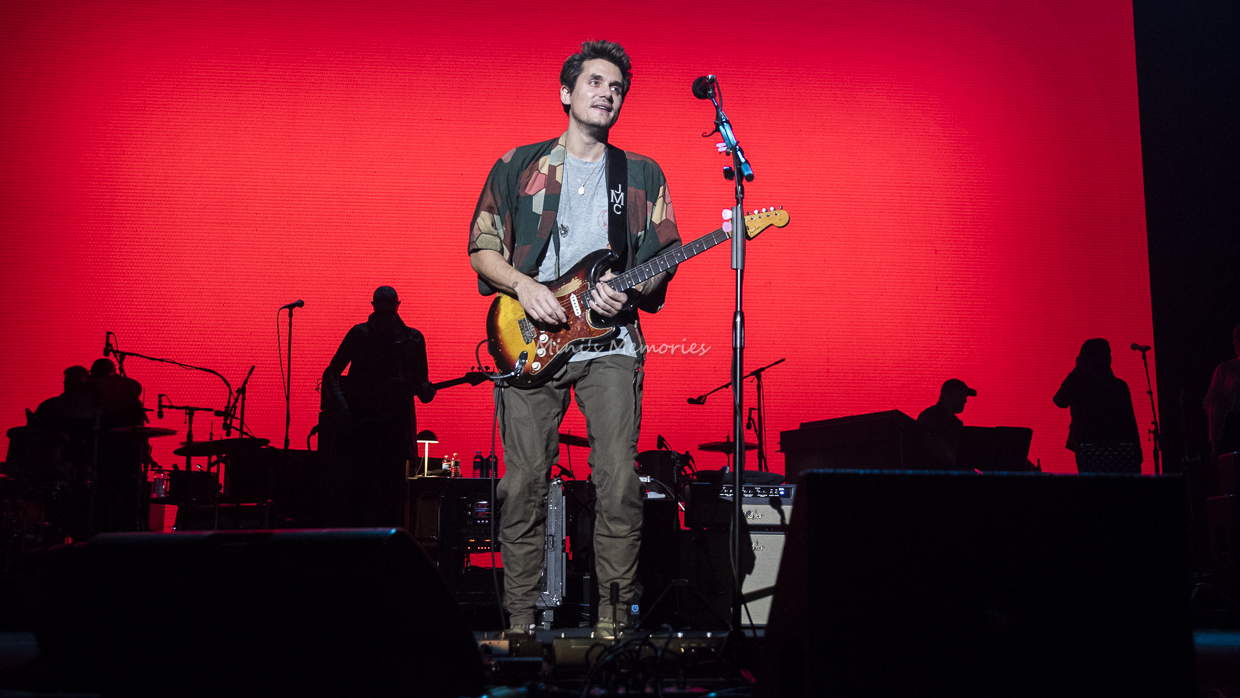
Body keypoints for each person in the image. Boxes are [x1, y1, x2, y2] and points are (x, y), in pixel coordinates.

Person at [468, 40, 682, 636]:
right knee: (522, 486)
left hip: (610, 346)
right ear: (566, 92)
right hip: (530, 343)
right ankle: (520, 624)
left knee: (618, 483)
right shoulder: (519, 165)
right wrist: (524, 286)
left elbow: (663, 257)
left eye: (617, 88)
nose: (607, 93)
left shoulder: (640, 174)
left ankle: (614, 625)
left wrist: (631, 293)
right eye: (595, 82)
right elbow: (482, 247)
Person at [321, 286, 434, 527]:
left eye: (388, 311)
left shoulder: (413, 339)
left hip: (395, 429)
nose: (384, 318)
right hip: (361, 428)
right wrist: (342, 406)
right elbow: (331, 373)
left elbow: (422, 387)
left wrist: (424, 389)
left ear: (397, 306)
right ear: (373, 306)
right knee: (358, 493)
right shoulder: (359, 334)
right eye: (380, 311)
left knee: (392, 496)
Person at [1053, 338, 1143, 473]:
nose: (1109, 358)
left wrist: (1136, 452)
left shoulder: (1117, 386)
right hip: (1099, 449)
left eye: (1109, 354)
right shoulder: (1083, 384)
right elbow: (1060, 400)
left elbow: (1129, 422)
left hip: (1105, 449)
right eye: (1105, 354)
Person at [917, 379, 977, 468]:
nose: (965, 400)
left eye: (965, 397)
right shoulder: (930, 416)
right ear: (948, 395)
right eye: (960, 396)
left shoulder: (956, 423)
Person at [1204, 323, 1240, 459]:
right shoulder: (1225, 369)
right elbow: (1215, 410)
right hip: (1234, 431)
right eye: (1235, 337)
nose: (1237, 340)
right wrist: (1214, 444)